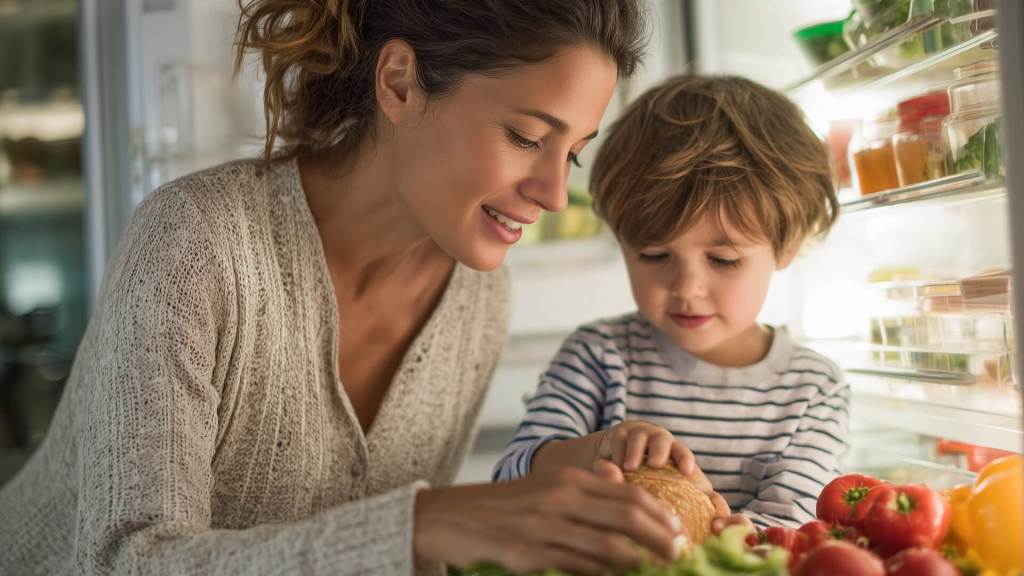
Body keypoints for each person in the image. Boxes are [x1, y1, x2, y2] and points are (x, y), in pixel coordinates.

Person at [0, 2, 693, 575]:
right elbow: (126, 561)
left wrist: (556, 477)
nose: (552, 192)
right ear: (398, 82)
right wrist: (425, 524)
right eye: (524, 135)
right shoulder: (195, 245)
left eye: (571, 152)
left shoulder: (478, 301)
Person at [494, 75, 849, 530]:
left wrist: (724, 538)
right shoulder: (599, 357)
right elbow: (510, 479)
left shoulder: (813, 390)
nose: (687, 287)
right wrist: (597, 449)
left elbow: (795, 527)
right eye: (654, 255)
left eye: (723, 260)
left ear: (786, 248)